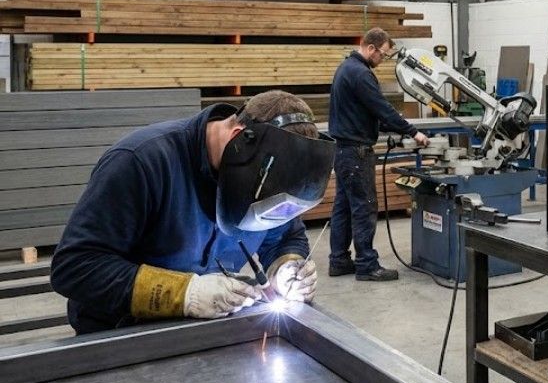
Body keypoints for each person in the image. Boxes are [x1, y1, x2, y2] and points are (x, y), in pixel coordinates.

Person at [51, 90, 335, 334]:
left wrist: (287, 266)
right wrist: (184, 294)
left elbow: (286, 235)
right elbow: (75, 267)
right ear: (238, 141)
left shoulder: (268, 179)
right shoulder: (141, 161)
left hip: (208, 329)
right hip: (119, 334)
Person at [328, 27, 429, 281]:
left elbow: (365, 113)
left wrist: (390, 127)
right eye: (382, 54)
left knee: (343, 207)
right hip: (356, 153)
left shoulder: (346, 69)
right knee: (364, 207)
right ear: (371, 48)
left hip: (343, 150)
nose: (382, 60)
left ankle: (339, 261)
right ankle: (366, 265)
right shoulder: (361, 74)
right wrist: (413, 131)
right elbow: (382, 108)